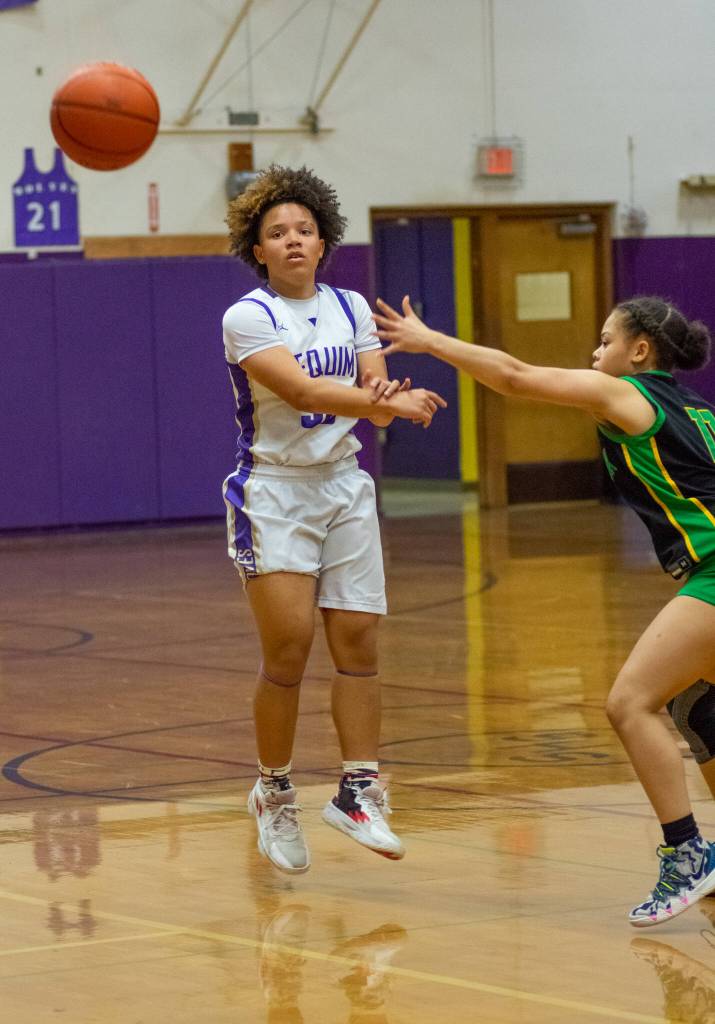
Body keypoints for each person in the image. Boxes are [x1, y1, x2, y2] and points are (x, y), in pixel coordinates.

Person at [373, 292, 715, 927]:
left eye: (606, 341)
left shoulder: (627, 395)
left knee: (629, 703)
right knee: (695, 702)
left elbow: (516, 377)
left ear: (640, 351)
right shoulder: (697, 410)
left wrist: (431, 341)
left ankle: (689, 854)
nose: (595, 353)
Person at [221, 165, 446, 875]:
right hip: (276, 490)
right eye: (276, 233)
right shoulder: (248, 316)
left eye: (304, 230)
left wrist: (390, 395)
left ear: (323, 241)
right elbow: (300, 387)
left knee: (358, 643)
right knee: (288, 649)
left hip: (344, 485)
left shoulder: (349, 305)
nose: (292, 241)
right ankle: (274, 790)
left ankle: (356, 788)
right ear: (256, 249)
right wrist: (378, 403)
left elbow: (368, 385)